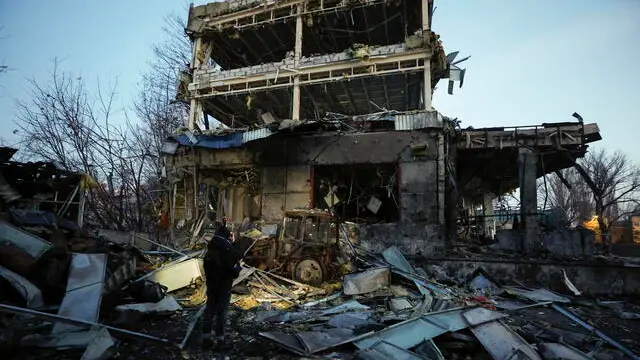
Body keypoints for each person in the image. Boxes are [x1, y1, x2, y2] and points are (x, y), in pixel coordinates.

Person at [201, 218, 242, 344]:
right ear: (228, 235)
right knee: (221, 312)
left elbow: (206, 267)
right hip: (224, 285)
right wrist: (238, 268)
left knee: (210, 309)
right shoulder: (227, 250)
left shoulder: (210, 249)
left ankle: (206, 337)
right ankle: (219, 338)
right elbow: (234, 265)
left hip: (211, 285)